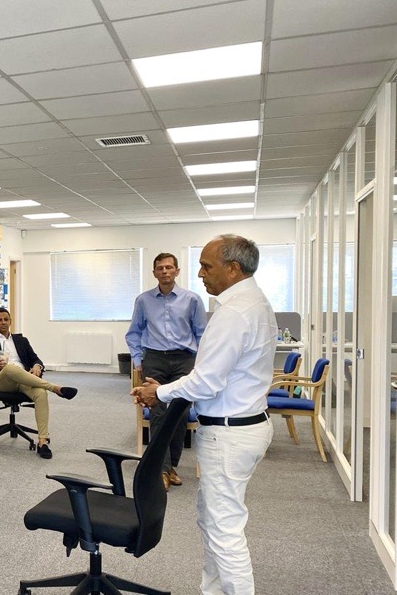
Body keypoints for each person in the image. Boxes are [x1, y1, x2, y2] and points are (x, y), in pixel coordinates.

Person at [132, 235, 276, 595]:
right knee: (212, 521)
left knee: (224, 531)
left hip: (230, 433)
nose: (200, 274)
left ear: (233, 268)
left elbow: (207, 381)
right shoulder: (253, 302)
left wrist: (159, 391)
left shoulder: (233, 313)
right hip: (243, 425)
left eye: (207, 266)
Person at [125, 252, 206, 490]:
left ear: (177, 271)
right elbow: (134, 332)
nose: (165, 271)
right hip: (155, 359)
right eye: (160, 268)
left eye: (169, 267)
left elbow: (201, 333)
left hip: (184, 360)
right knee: (159, 413)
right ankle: (162, 469)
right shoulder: (143, 300)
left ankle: (172, 466)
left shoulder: (192, 300)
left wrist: (200, 362)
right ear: (154, 273)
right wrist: (138, 359)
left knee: (179, 413)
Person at [0, 308, 77, 459]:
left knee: (40, 393)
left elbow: (35, 359)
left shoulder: (21, 340)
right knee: (10, 367)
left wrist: (37, 367)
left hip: (24, 379)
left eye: (6, 319)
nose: (3, 322)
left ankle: (42, 441)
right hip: (2, 380)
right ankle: (55, 388)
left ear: (10, 321)